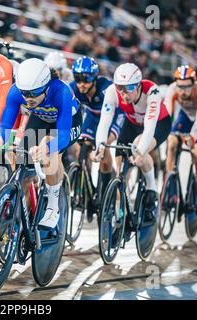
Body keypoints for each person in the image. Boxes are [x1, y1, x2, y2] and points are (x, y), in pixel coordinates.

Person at [0, 58, 81, 229]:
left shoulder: (61, 92)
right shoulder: (16, 91)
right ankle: (21, 223)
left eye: (34, 93)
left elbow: (62, 136)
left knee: (49, 149)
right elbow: (5, 125)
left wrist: (46, 148)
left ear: (46, 87)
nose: (28, 98)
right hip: (40, 119)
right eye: (25, 93)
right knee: (25, 171)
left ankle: (53, 206)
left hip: (68, 124)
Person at [93, 63, 172, 225]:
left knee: (138, 148)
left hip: (158, 124)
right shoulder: (111, 92)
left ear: (138, 85)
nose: (123, 94)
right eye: (119, 88)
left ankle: (151, 187)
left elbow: (149, 128)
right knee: (120, 169)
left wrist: (140, 151)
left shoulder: (152, 91)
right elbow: (104, 123)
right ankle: (122, 211)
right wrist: (100, 146)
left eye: (128, 88)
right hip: (132, 124)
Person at [69, 56, 124, 221]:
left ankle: (104, 190)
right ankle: (85, 187)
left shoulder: (106, 88)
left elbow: (119, 113)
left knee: (103, 148)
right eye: (78, 79)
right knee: (79, 147)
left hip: (112, 117)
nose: (81, 84)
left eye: (86, 79)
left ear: (94, 78)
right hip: (92, 117)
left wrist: (106, 140)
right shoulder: (74, 89)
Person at [164, 65, 197, 216]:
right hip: (186, 116)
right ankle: (170, 186)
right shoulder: (172, 89)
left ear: (194, 84)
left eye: (187, 87)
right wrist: (164, 133)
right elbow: (168, 115)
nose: (183, 91)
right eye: (180, 87)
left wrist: (192, 137)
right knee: (171, 144)